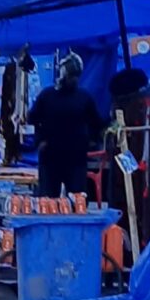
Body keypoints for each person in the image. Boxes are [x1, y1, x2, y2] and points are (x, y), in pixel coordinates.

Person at [28, 51, 105, 198]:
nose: (73, 80)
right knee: (48, 201)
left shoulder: (84, 98)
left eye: (76, 76)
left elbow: (97, 123)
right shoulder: (47, 95)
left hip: (75, 157)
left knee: (77, 201)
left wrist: (91, 141)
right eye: (71, 76)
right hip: (50, 156)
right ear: (63, 75)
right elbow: (32, 119)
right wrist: (40, 140)